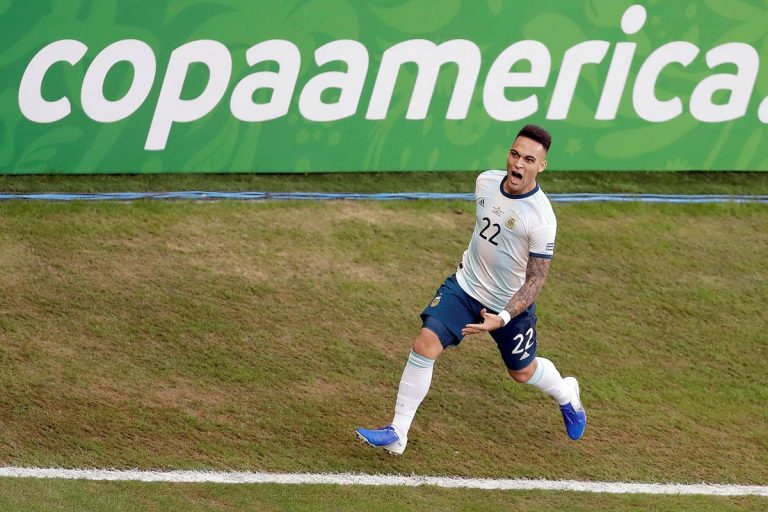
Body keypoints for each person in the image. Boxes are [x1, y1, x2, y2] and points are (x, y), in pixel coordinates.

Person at [355, 124, 586, 455]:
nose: (518, 164)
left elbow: (536, 279)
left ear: (541, 166)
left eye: (529, 160)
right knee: (424, 344)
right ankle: (398, 432)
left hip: (508, 306)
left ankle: (566, 394)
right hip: (465, 287)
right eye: (515, 154)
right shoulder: (485, 182)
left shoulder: (542, 218)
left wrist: (502, 317)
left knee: (522, 372)